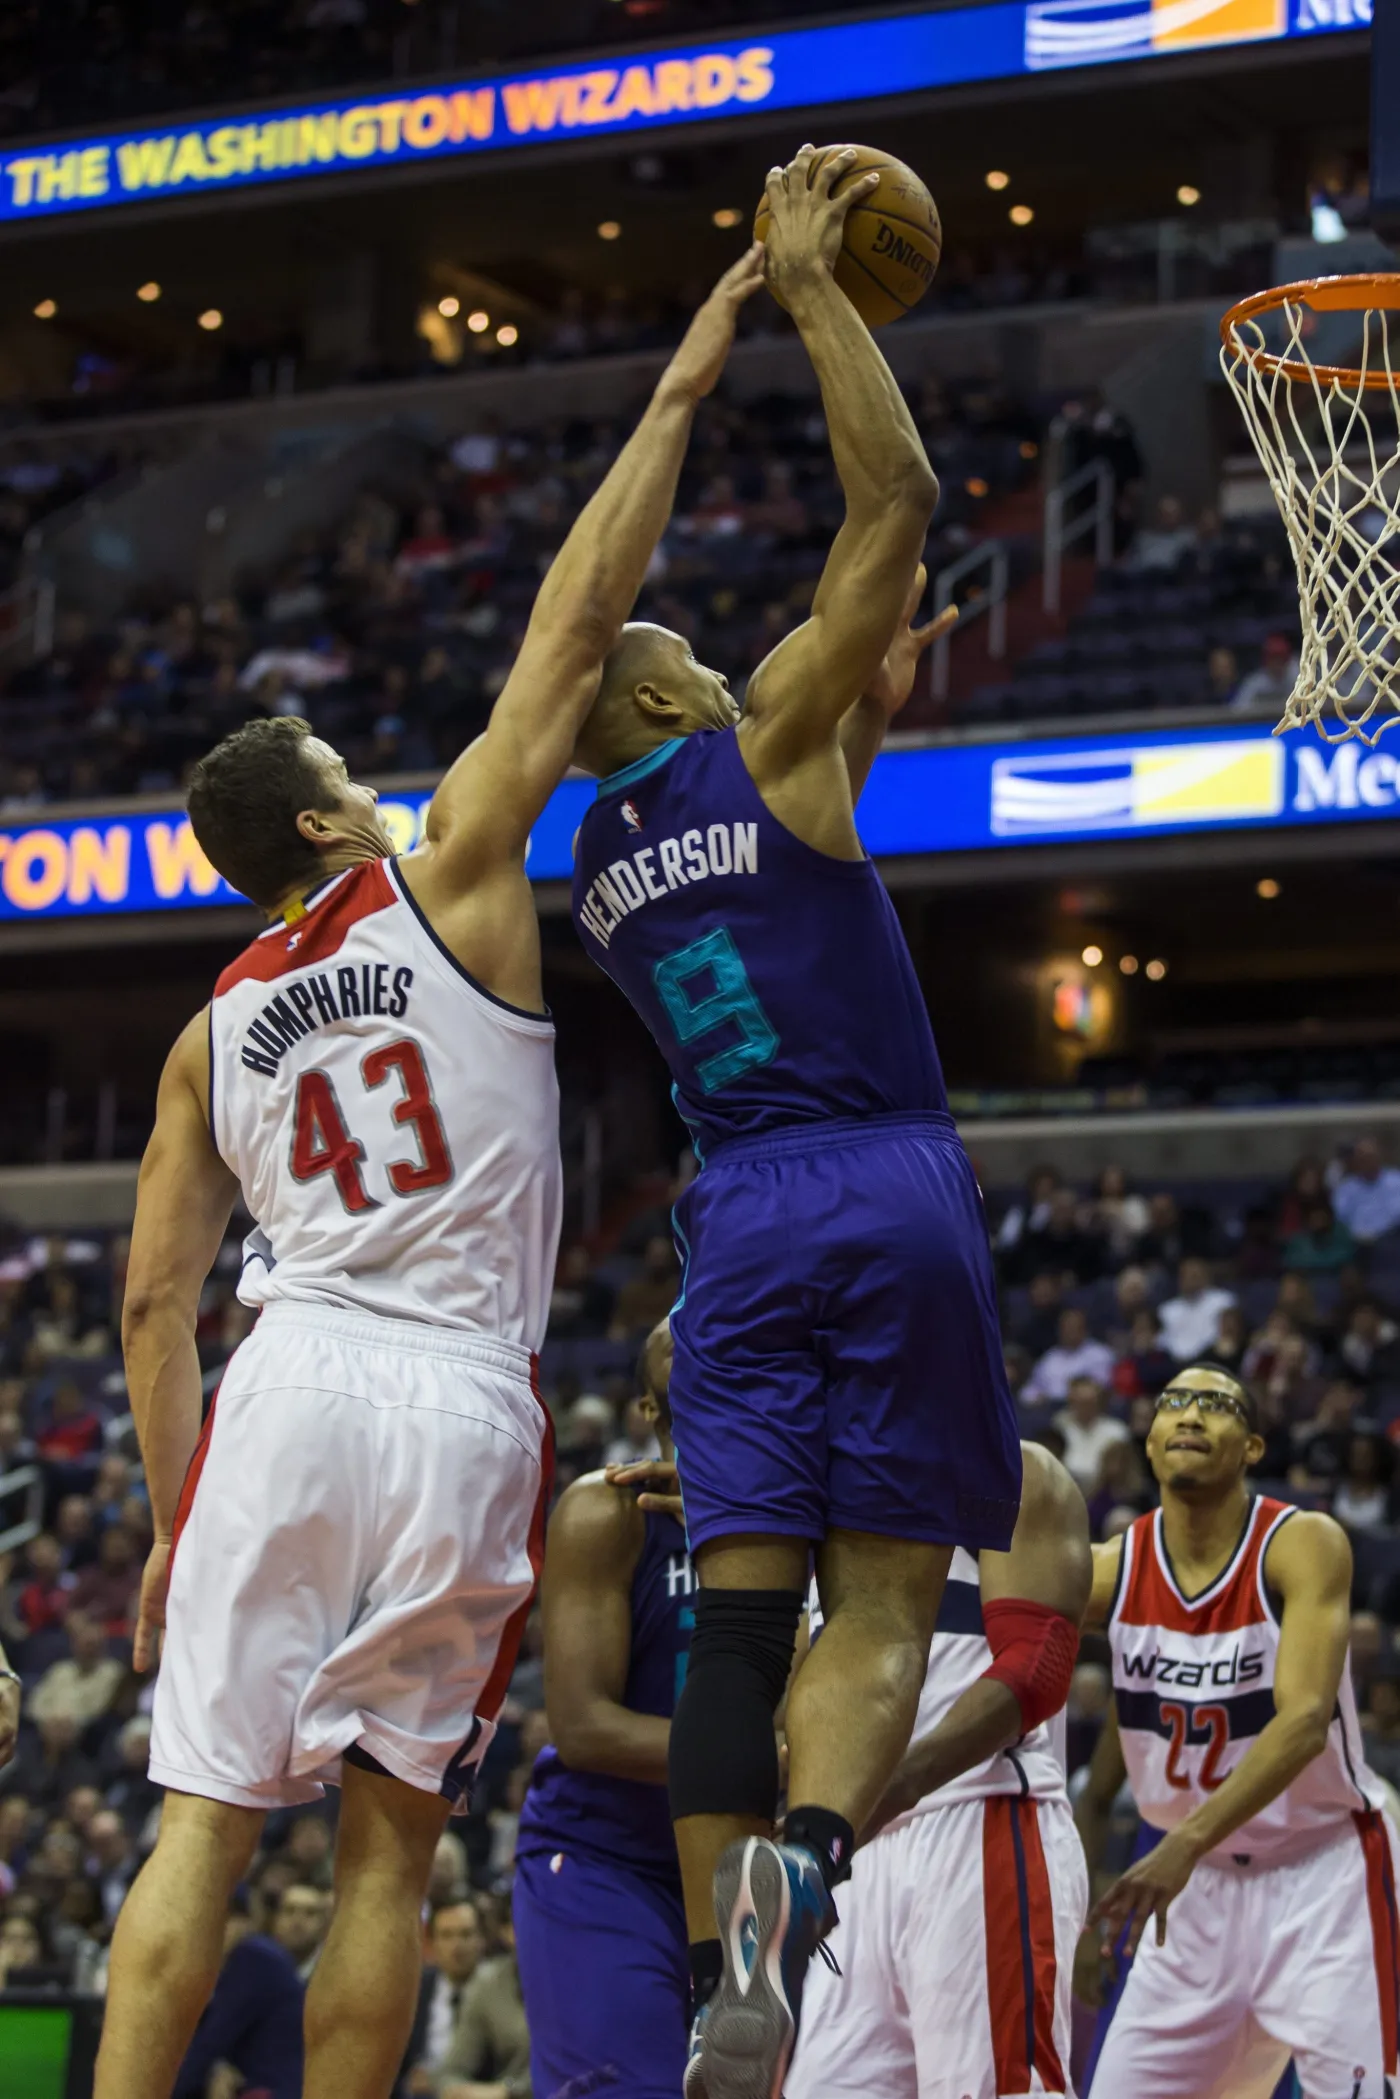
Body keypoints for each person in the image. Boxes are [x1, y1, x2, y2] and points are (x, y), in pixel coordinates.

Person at [92, 250, 766, 2099]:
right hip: (461, 1390)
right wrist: (683, 380)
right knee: (390, 1846)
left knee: (200, 1832)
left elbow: (155, 1301)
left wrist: (175, 1515)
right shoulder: (452, 867)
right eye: (351, 778)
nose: (383, 789)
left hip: (286, 1381)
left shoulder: (202, 1035)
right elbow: (575, 617)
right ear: (325, 824)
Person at [569, 147, 1020, 2096]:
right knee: (892, 1595)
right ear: (658, 676)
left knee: (736, 1620)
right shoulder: (751, 728)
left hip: (729, 1209)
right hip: (880, 1172)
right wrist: (811, 285)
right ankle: (805, 1884)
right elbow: (902, 501)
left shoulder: (589, 855)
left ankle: (712, 1961)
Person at [1083, 1361, 1398, 2094]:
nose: (1190, 1416)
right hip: (1196, 1896)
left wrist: (1180, 1841)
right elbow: (1092, 1773)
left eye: (1214, 1405)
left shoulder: (1301, 1542)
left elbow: (1305, 1722)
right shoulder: (1108, 1570)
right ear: (1150, 1438)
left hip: (1323, 1876)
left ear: (1253, 1446)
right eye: (1174, 1403)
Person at [787, 1443, 1092, 2099]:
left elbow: (1036, 1671)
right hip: (859, 1862)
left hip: (977, 1821)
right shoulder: (831, 1507)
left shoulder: (1013, 1472)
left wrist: (885, 1787)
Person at [514, 1318, 694, 2099]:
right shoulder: (611, 1510)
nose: (697, 1325)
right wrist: (777, 1757)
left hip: (751, 1871)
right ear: (649, 1412)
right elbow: (584, 1729)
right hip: (608, 1859)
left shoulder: (813, 1517)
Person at [173, 1892, 305, 2099]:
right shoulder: (243, 1959)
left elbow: (211, 2043)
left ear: (245, 1923)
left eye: (226, 1920)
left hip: (276, 2089)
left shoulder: (254, 1958)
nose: (214, 1931)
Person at [402, 1899, 488, 2092]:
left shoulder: (499, 1989)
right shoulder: (415, 1989)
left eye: (466, 1934)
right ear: (432, 1943)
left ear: (482, 1940)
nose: (456, 1946)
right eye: (446, 1936)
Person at [1334, 1137, 1400, 1247]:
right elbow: (1341, 1219)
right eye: (1362, 1158)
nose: (1367, 1162)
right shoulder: (1346, 1188)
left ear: (1379, 1157)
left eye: (1370, 1157)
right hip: (1356, 1244)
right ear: (1356, 1160)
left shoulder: (1396, 1181)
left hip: (1392, 1240)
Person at [270, 1880, 332, 1983]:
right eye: (289, 1910)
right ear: (275, 1920)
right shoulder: (259, 1968)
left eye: (310, 1913)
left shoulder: (333, 1974)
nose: (298, 1921)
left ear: (323, 1924)